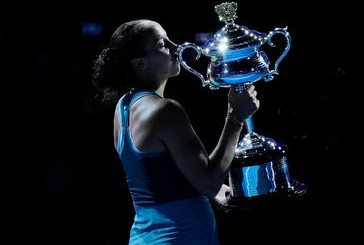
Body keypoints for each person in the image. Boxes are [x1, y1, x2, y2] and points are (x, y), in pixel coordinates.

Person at [92, 19, 259, 244]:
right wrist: (236, 117)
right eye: (162, 44)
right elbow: (208, 182)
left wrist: (221, 192)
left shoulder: (123, 106)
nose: (176, 47)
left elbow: (165, 179)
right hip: (183, 236)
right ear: (139, 64)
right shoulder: (165, 110)